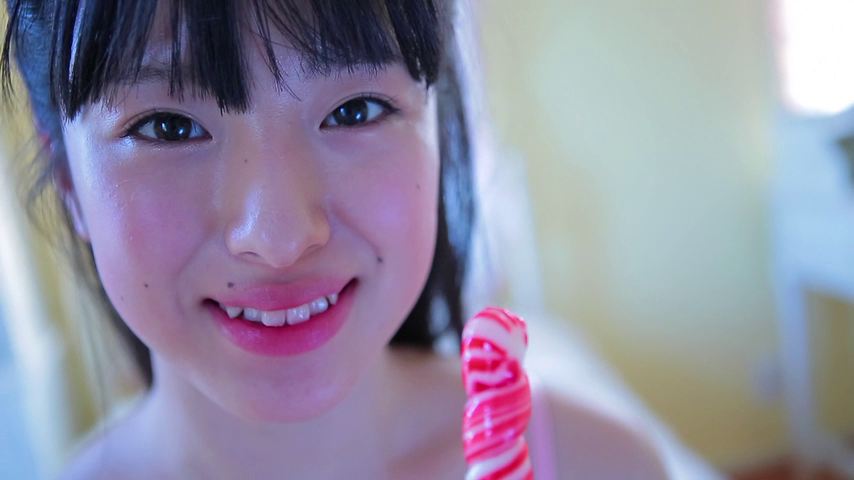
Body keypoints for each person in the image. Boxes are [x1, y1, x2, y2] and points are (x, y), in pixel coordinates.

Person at [1, 0, 670, 478]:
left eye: (356, 110)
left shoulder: (606, 466)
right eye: (168, 126)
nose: (281, 238)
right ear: (67, 176)